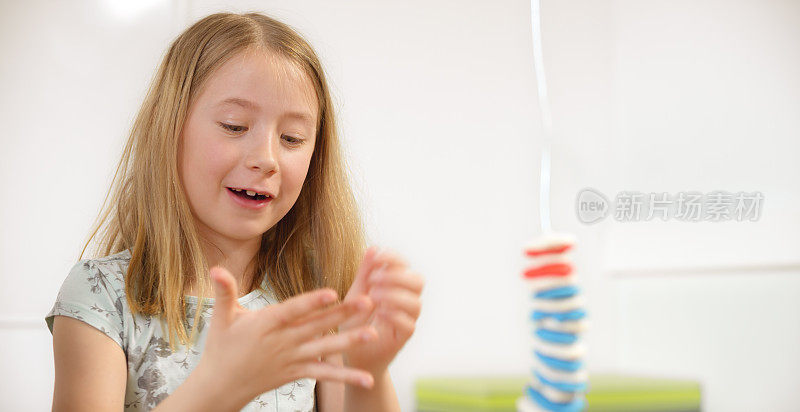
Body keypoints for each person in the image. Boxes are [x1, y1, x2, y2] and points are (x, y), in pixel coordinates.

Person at [44, 11, 424, 412]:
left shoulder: (312, 296)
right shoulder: (102, 297)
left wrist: (370, 370)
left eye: (292, 138)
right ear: (170, 129)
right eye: (234, 126)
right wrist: (219, 388)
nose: (266, 159)